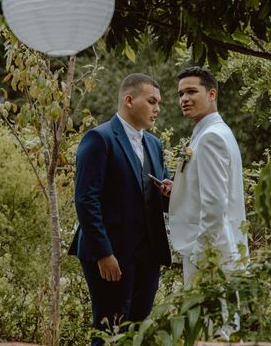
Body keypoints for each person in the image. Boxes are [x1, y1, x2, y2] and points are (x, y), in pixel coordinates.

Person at [68, 73, 172, 346]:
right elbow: (85, 200)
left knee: (137, 333)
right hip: (109, 256)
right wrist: (104, 253)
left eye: (158, 102)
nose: (157, 108)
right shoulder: (98, 138)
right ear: (129, 100)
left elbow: (158, 199)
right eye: (151, 101)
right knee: (108, 332)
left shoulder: (154, 144)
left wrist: (170, 191)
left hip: (147, 257)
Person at [169, 67, 248, 287]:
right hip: (215, 251)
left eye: (192, 91)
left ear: (211, 94)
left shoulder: (211, 137)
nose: (184, 98)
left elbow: (214, 204)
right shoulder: (212, 132)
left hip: (212, 256)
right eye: (181, 94)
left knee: (213, 320)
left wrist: (201, 254)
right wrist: (176, 189)